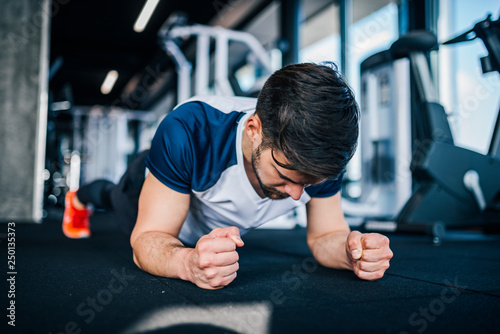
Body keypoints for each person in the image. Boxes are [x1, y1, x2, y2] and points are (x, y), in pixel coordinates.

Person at [63, 62, 393, 290]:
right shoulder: (188, 131)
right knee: (109, 196)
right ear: (253, 130)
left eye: (309, 184)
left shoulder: (320, 155)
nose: (297, 195)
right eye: (285, 174)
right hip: (147, 188)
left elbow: (324, 236)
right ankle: (77, 199)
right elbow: (149, 237)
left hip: (202, 212)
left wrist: (353, 252)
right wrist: (188, 263)